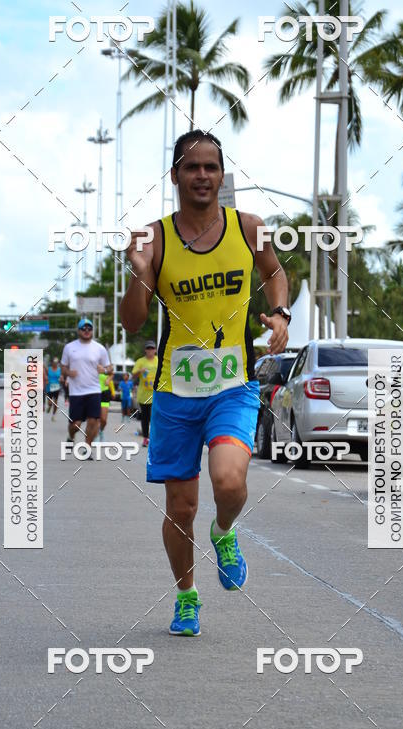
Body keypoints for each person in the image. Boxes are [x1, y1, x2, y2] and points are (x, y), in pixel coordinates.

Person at [122, 129, 290, 636]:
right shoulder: (153, 239)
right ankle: (187, 596)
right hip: (175, 392)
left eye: (211, 168)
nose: (202, 176)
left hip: (232, 384)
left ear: (222, 175)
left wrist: (279, 313)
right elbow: (132, 323)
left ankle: (224, 533)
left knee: (229, 481)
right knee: (181, 506)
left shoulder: (249, 228)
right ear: (175, 175)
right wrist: (138, 274)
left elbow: (275, 272)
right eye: (192, 167)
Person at [60, 319, 112, 455]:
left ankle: (87, 448)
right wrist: (68, 372)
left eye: (89, 328)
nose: (87, 331)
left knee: (93, 420)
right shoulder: (69, 347)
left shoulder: (99, 348)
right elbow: (63, 367)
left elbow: (110, 367)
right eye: (84, 328)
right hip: (76, 392)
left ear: (92, 331)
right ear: (78, 331)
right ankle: (71, 437)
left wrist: (105, 371)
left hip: (94, 390)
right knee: (75, 424)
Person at [131, 341, 158, 447]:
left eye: (152, 348)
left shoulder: (158, 361)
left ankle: (155, 438)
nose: (150, 351)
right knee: (145, 418)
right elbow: (133, 376)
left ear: (155, 350)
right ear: (145, 350)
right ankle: (146, 438)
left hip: (156, 394)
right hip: (144, 395)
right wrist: (140, 371)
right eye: (148, 348)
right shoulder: (140, 361)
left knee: (155, 417)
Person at [98, 367, 115, 439]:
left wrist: (109, 379)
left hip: (104, 394)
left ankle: (101, 430)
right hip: (95, 393)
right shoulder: (95, 363)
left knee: (104, 420)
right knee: (96, 418)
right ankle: (95, 435)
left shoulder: (106, 366)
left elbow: (112, 373)